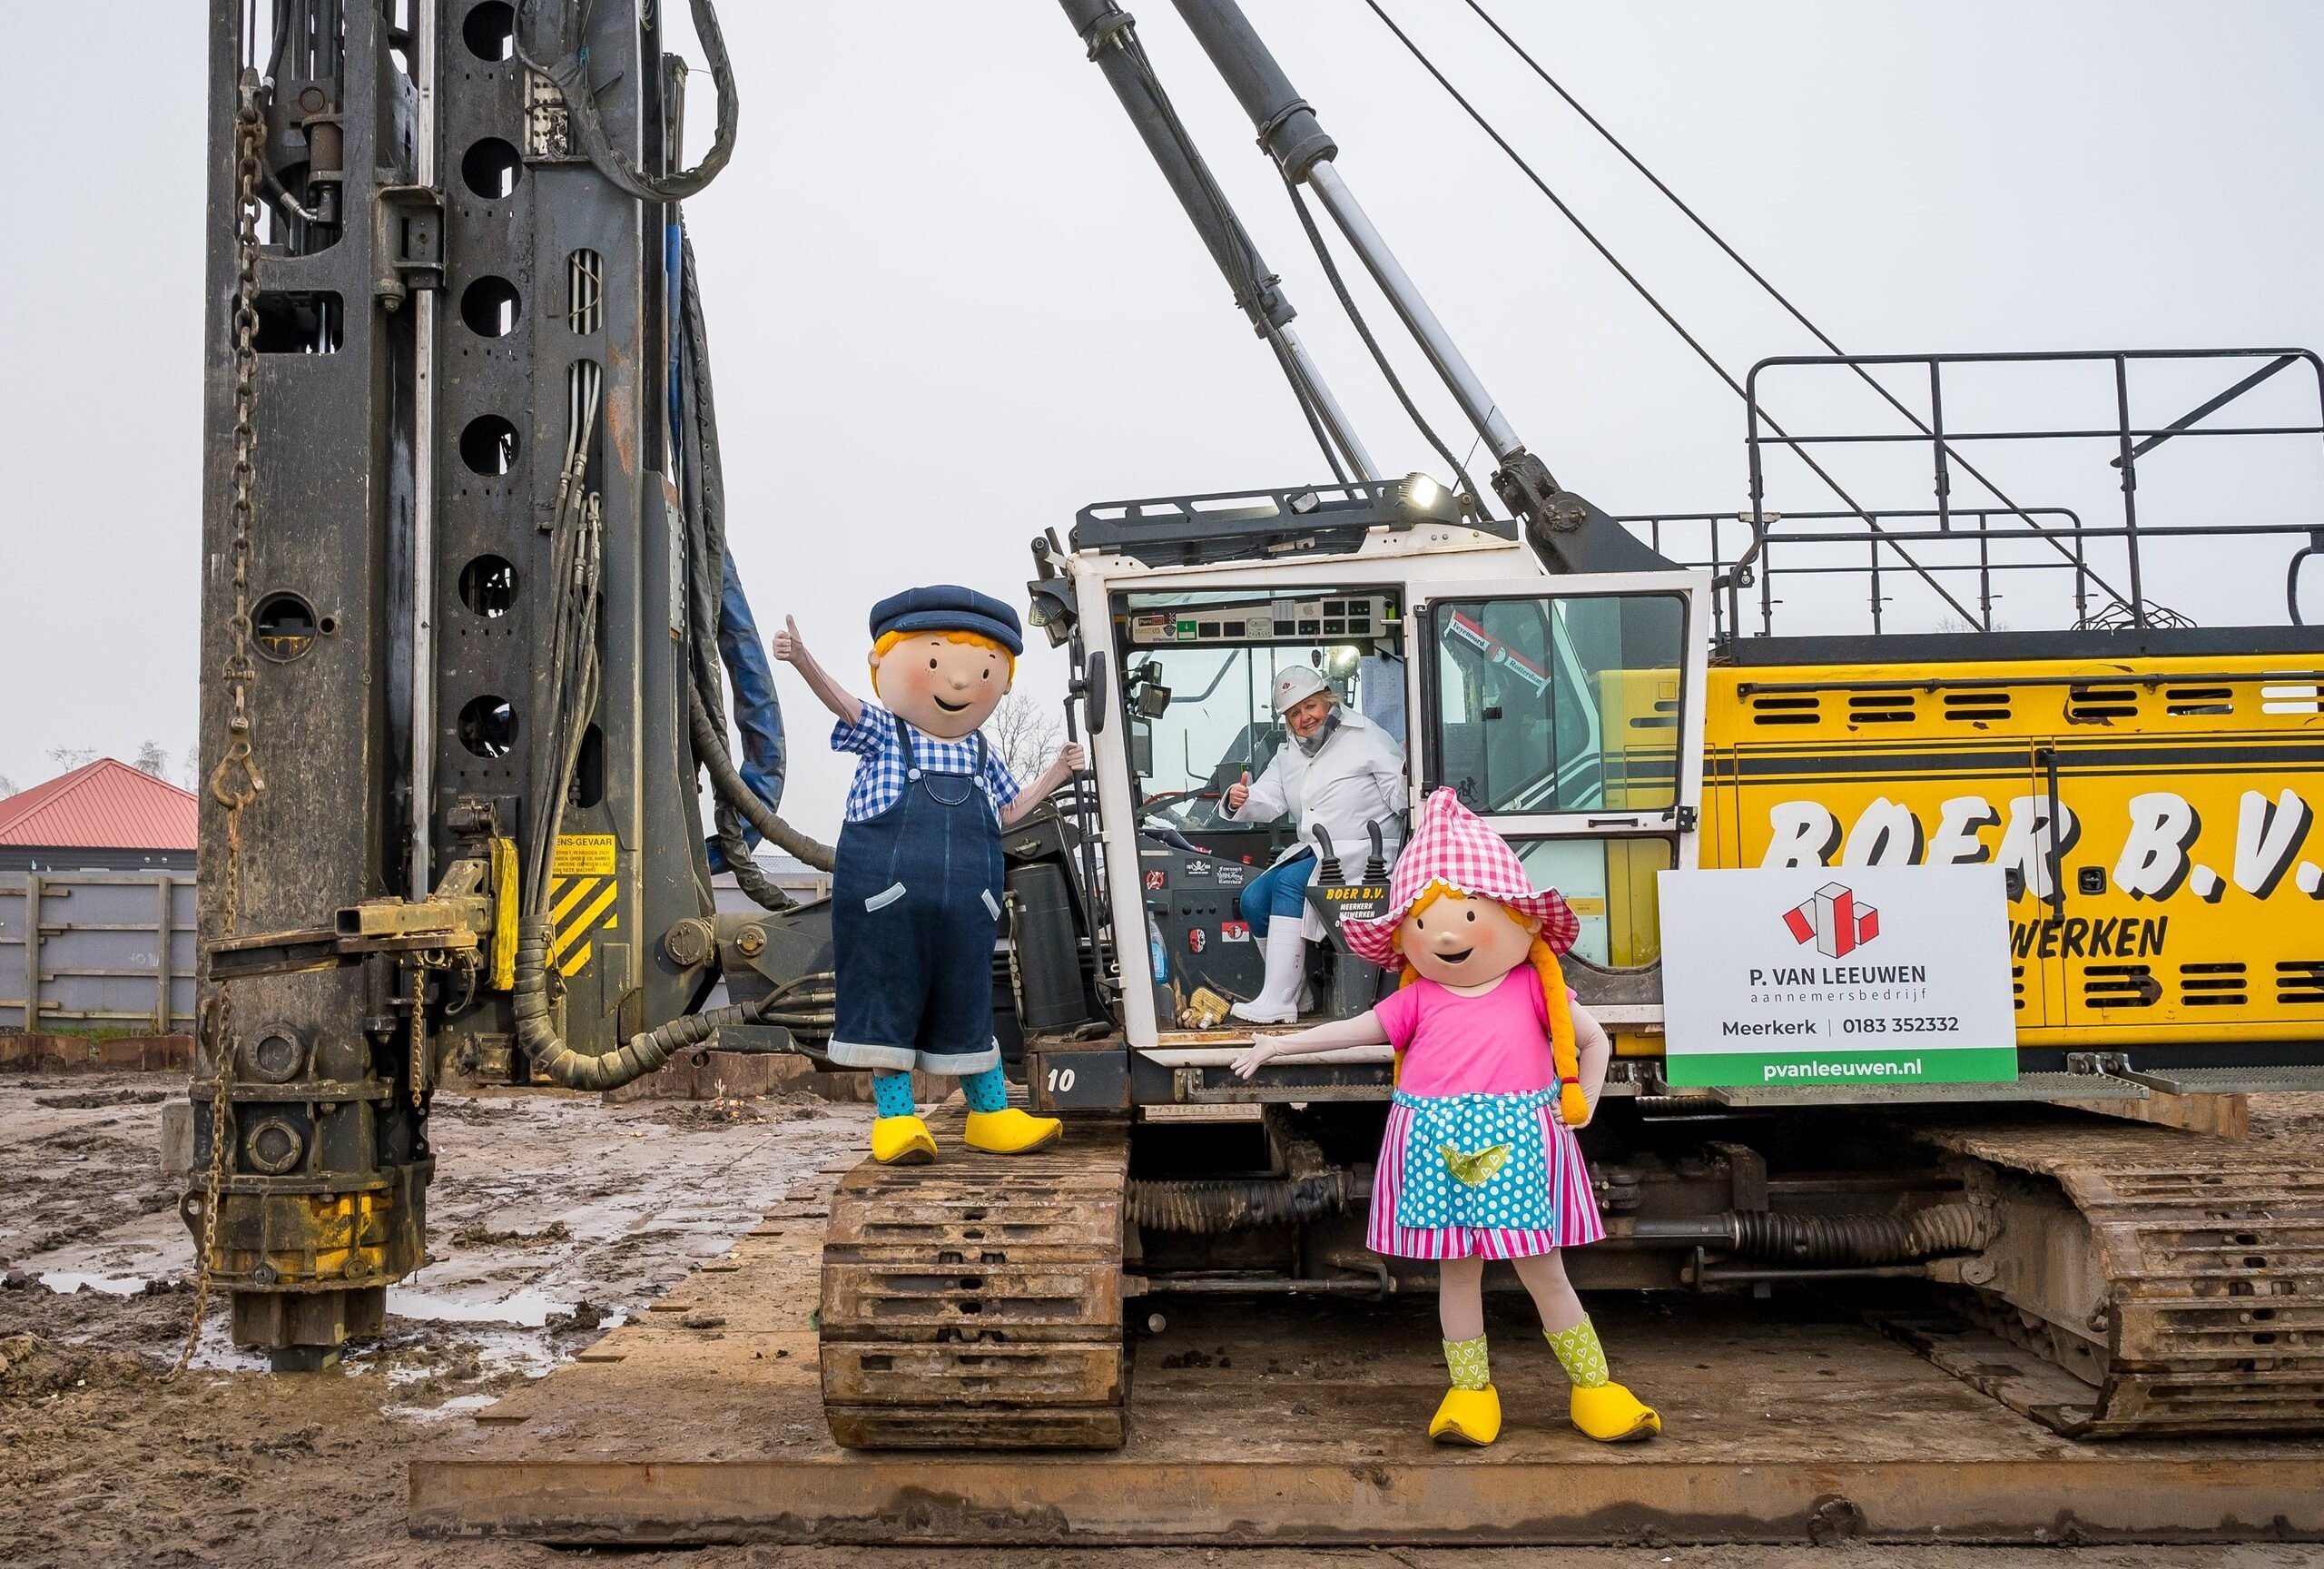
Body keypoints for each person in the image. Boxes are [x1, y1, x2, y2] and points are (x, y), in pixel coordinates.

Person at [1233, 788, 1660, 1447]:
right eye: (1427, 924)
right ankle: (1470, 1394)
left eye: (1465, 912)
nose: (1448, 934)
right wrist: (1280, 1044)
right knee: (1457, 1274)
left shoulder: (1531, 986)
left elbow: (1595, 1040)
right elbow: (1353, 1029)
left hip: (1520, 1147)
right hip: (1437, 1149)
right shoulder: (1419, 997)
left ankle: (1594, 1388)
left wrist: (1584, 1103)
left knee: (1544, 1270)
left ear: (1521, 921)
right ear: (1407, 936)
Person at [773, 587, 1084, 1166]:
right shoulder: (887, 735)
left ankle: (989, 1116)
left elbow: (1012, 811)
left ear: (1003, 679)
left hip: (967, 909)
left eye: (983, 669)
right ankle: (896, 1121)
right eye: (937, 662)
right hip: (888, 910)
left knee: (968, 1008)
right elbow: (841, 704)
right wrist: (803, 658)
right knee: (890, 1005)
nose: (960, 682)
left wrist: (1057, 773)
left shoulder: (982, 754)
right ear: (884, 663)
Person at [1221, 664, 1405, 1024]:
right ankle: (1298, 992)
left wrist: (1408, 772)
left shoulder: (1367, 736)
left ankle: (1278, 998)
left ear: (1327, 700)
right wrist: (1239, 798)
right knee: (1253, 899)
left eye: (1310, 706)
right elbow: (1267, 797)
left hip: (1364, 853)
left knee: (1292, 884)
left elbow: (1401, 796)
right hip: (1320, 850)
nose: (1305, 718)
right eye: (1294, 713)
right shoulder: (1289, 753)